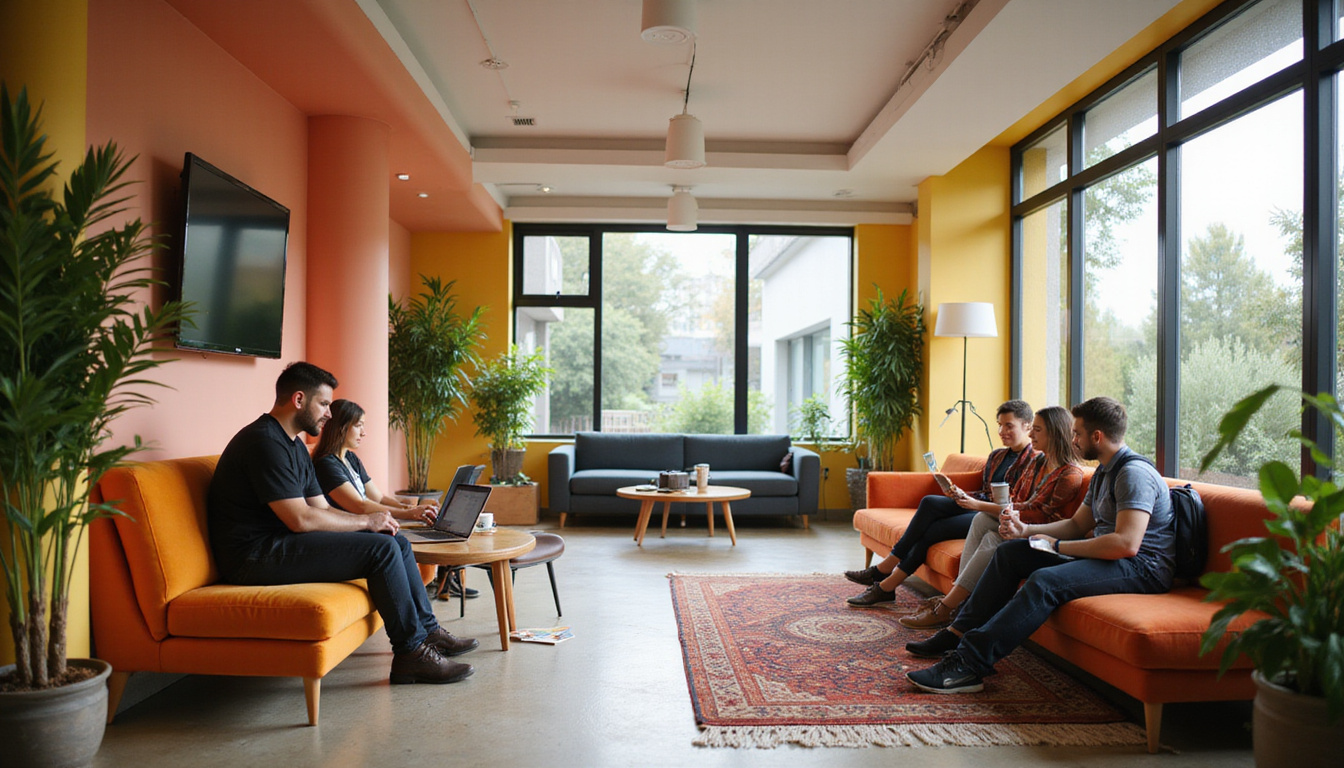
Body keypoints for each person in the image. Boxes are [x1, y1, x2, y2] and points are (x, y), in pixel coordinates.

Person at [207, 362, 479, 685]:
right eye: (323, 404)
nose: (329, 414)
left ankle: (428, 633)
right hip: (251, 557)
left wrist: (374, 522)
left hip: (280, 544)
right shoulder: (264, 442)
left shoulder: (294, 445)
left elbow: (320, 507)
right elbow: (300, 519)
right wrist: (365, 521)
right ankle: (410, 654)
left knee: (396, 541)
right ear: (298, 400)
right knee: (381, 551)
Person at [905, 396, 1175, 694]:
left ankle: (968, 664)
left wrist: (1058, 547)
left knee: (1045, 581)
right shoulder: (1104, 471)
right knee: (1009, 553)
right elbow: (1077, 525)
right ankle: (957, 632)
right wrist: (1027, 531)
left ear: (1097, 436)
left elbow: (1126, 544)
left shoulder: (1132, 474)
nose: (1073, 440)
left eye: (1078, 434)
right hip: (1110, 555)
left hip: (1142, 568)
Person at [898, 405, 1084, 629]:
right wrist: (994, 510)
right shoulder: (1038, 462)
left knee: (993, 539)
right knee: (981, 520)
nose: (1031, 435)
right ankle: (959, 600)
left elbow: (1040, 514)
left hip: (1043, 535)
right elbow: (1018, 500)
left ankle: (947, 606)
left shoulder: (1070, 474)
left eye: (1037, 430)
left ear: (1054, 433)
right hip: (1021, 523)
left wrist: (986, 507)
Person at [843, 400, 1039, 606]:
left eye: (1009, 425)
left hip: (991, 515)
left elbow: (1017, 503)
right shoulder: (998, 456)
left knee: (934, 530)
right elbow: (986, 492)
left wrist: (973, 503)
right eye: (999, 424)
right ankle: (885, 571)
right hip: (978, 505)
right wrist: (961, 494)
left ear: (1027, 425)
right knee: (930, 502)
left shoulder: (1034, 460)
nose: (1001, 430)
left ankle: (885, 581)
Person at [313, 399, 479, 600]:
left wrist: (412, 508)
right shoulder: (326, 464)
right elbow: (358, 504)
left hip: (370, 526)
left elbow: (378, 496)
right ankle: (431, 596)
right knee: (407, 540)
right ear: (340, 427)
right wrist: (409, 513)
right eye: (358, 426)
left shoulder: (350, 459)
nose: (363, 433)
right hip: (353, 532)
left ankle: (443, 585)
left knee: (431, 529)